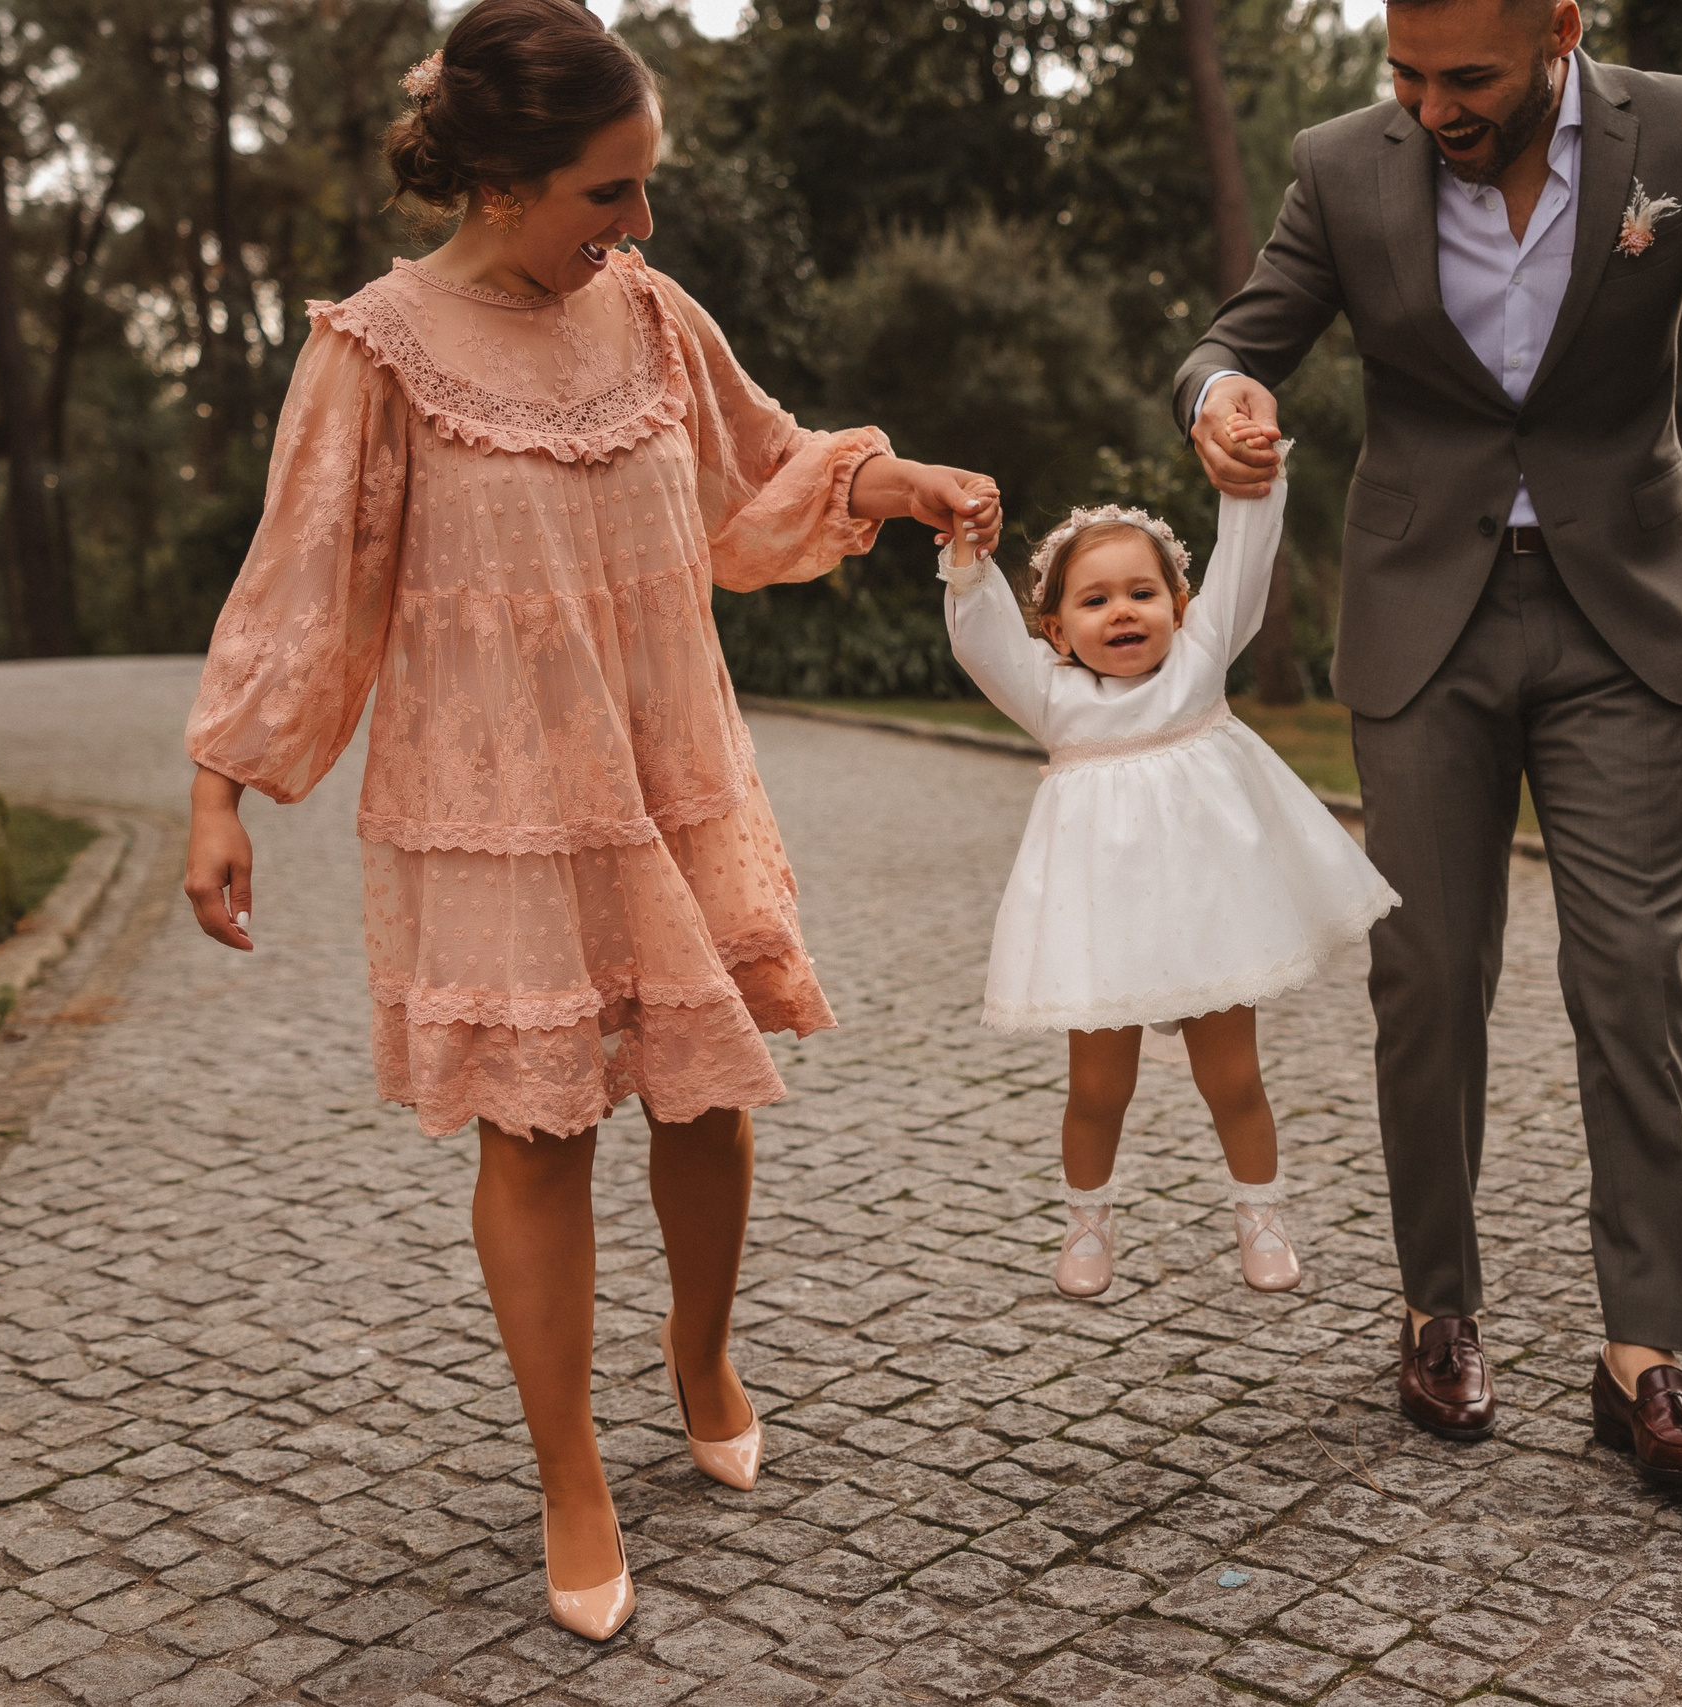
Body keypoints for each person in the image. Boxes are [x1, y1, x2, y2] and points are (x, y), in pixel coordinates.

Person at [179, 0, 999, 1642]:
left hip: (665, 772)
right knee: (537, 1128)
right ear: (497, 180)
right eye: (607, 195)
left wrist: (888, 481)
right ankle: (572, 1471)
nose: (638, 226)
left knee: (702, 1093)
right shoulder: (376, 352)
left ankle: (701, 1350)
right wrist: (223, 793)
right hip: (492, 806)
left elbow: (757, 476)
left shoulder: (648, 314)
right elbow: (305, 582)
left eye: (643, 191)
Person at [1174, 0, 1682, 1488]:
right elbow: (1243, 337)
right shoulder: (1339, 163)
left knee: (1631, 967)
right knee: (1429, 970)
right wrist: (1222, 395)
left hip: (1624, 617)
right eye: (1405, 73)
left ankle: (1644, 1353)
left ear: (1561, 27)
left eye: (1468, 77)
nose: (1432, 106)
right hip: (1427, 617)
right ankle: (1441, 1305)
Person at [940, 424, 1398, 1299]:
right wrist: (967, 558)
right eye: (1095, 600)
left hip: (1209, 911)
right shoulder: (1052, 697)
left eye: (1143, 592)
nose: (1122, 612)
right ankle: (1086, 1222)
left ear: (1181, 606)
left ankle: (1260, 1213)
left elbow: (1246, 557)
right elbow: (981, 639)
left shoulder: (1198, 662)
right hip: (1103, 921)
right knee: (1097, 1088)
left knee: (1233, 1077)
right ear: (1056, 629)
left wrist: (1253, 476)